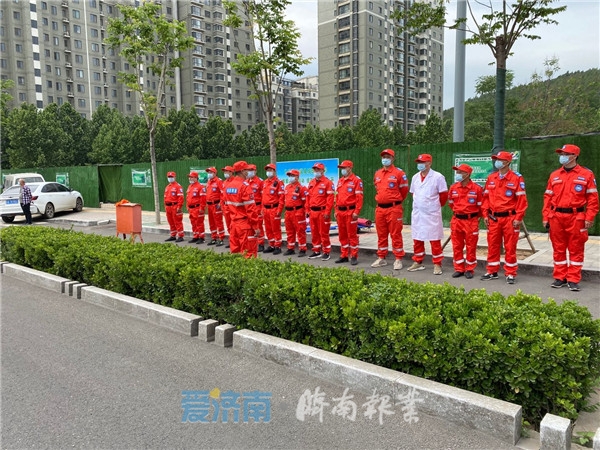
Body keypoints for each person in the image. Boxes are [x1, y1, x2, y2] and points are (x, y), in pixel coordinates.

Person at [543, 144, 599, 291]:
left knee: (576, 248)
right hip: (556, 217)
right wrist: (546, 216)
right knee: (558, 248)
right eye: (561, 154)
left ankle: (573, 279)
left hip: (576, 217)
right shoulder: (554, 175)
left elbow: (593, 199)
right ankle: (560, 277)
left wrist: (589, 217)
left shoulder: (586, 174)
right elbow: (547, 198)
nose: (562, 156)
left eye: (566, 154)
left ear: (574, 156)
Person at [481, 151, 528, 284]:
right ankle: (492, 271)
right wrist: (485, 214)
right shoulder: (491, 177)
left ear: (507, 162)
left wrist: (518, 217)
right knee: (492, 245)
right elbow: (485, 198)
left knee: (510, 246)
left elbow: (522, 201)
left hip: (510, 219)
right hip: (493, 218)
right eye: (496, 159)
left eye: (500, 160)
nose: (497, 162)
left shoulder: (516, 178)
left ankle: (510, 273)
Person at [407, 154, 448, 275]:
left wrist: (433, 206)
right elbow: (413, 193)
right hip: (418, 213)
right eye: (419, 162)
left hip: (431, 213)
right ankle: (418, 261)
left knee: (434, 239)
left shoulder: (438, 177)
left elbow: (443, 196)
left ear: (429, 163)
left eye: (422, 162)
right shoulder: (415, 177)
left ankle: (437, 264)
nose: (420, 164)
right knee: (417, 238)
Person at [372, 149, 409, 269]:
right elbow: (378, 189)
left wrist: (394, 201)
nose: (385, 159)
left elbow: (404, 191)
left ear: (393, 158)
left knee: (395, 234)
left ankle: (398, 259)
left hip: (394, 208)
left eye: (388, 157)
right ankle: (381, 257)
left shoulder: (399, 173)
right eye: (384, 157)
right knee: (381, 234)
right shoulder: (378, 173)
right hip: (380, 209)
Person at [447, 164, 483, 279]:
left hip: (471, 221)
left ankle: (470, 269)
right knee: (457, 245)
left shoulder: (477, 189)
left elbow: (481, 207)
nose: (457, 174)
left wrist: (473, 216)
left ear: (467, 174)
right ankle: (459, 268)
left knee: (471, 246)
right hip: (456, 220)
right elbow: (451, 204)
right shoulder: (453, 187)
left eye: (460, 172)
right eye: (457, 172)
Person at [223, 161, 260, 258]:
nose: (248, 172)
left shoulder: (228, 186)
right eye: (247, 170)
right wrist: (255, 226)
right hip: (245, 225)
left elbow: (226, 209)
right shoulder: (245, 186)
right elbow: (251, 209)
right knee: (249, 254)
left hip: (233, 224)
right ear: (243, 171)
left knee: (235, 254)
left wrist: (230, 225)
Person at [335, 160, 363, 265]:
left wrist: (356, 211)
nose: (342, 170)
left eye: (344, 168)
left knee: (352, 234)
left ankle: (354, 255)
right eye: (341, 168)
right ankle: (344, 255)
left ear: (350, 168)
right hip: (340, 212)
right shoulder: (340, 181)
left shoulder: (356, 180)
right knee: (342, 234)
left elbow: (359, 198)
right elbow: (337, 197)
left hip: (350, 211)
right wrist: (336, 210)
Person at [306, 162, 335, 261]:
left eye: (318, 169)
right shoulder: (311, 182)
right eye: (315, 169)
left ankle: (326, 252)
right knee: (314, 232)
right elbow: (308, 198)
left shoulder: (328, 183)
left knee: (323, 233)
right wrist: (307, 210)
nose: (316, 171)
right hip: (312, 212)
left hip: (322, 212)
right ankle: (316, 251)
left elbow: (330, 199)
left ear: (323, 171)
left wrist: (327, 212)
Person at [283, 169, 308, 257]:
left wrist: (305, 212)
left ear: (297, 177)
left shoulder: (302, 188)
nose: (290, 177)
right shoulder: (287, 187)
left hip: (298, 212)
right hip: (288, 212)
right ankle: (291, 248)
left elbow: (305, 202)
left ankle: (302, 249)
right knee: (289, 231)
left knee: (300, 231)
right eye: (289, 176)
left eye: (292, 176)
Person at [261, 163, 285, 255]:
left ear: (274, 171)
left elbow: (281, 198)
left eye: (270, 170)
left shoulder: (278, 182)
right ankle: (271, 245)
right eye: (267, 170)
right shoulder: (265, 182)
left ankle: (277, 246)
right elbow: (263, 197)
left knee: (276, 228)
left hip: (274, 208)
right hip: (266, 209)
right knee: (268, 228)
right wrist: (262, 208)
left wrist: (279, 210)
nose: (268, 172)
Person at [246, 164, 266, 252]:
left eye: (251, 170)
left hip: (257, 206)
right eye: (248, 170)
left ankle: (261, 243)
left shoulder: (260, 182)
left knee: (259, 225)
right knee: (250, 225)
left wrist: (262, 208)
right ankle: (252, 243)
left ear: (255, 171)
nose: (249, 172)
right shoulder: (246, 182)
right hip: (249, 207)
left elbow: (263, 196)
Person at [205, 166, 225, 246]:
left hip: (216, 205)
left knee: (218, 222)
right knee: (211, 222)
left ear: (215, 173)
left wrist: (220, 203)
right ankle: (214, 237)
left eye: (210, 172)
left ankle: (221, 238)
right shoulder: (208, 182)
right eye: (208, 172)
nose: (209, 174)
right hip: (209, 205)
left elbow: (222, 193)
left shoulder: (219, 181)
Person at [186, 171, 207, 244]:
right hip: (191, 208)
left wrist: (201, 208)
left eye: (191, 177)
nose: (190, 178)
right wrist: (187, 206)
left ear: (196, 178)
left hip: (197, 208)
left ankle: (201, 237)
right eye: (189, 177)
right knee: (193, 223)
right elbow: (188, 197)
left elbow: (203, 199)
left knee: (199, 223)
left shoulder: (200, 187)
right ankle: (196, 236)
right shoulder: (190, 187)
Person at [164, 171, 184, 242]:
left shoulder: (178, 186)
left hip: (175, 206)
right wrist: (165, 206)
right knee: (171, 221)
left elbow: (181, 198)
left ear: (175, 177)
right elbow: (165, 197)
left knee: (177, 221)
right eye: (169, 177)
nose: (170, 178)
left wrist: (179, 207)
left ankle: (180, 236)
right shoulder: (167, 187)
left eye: (171, 177)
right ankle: (173, 235)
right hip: (168, 207)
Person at [221, 166, 234, 247]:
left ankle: (236, 241)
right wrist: (222, 206)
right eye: (224, 172)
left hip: (233, 206)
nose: (225, 173)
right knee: (228, 224)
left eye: (227, 171)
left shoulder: (235, 182)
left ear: (231, 172)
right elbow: (222, 196)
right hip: (226, 206)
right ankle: (232, 241)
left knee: (234, 225)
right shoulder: (224, 182)